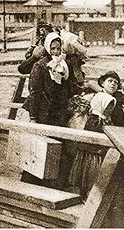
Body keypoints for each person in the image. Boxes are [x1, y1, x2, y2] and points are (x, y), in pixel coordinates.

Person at [21, 32, 72, 189]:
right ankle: (32, 181)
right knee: (40, 147)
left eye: (58, 49)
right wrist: (34, 116)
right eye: (53, 49)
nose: (56, 52)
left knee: (58, 146)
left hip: (58, 111)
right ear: (48, 49)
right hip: (44, 111)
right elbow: (34, 92)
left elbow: (67, 88)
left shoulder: (63, 66)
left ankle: (54, 182)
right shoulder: (40, 66)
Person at [68, 92, 116, 201]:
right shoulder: (94, 119)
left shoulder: (103, 119)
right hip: (91, 152)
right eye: (107, 106)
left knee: (91, 176)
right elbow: (94, 136)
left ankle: (89, 195)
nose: (109, 109)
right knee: (89, 176)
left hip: (96, 151)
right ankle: (86, 196)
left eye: (110, 107)